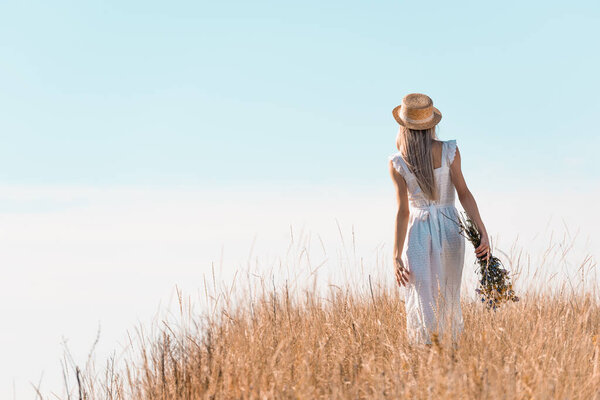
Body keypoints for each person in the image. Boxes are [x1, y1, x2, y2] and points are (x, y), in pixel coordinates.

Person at [387, 93, 490, 347]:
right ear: (431, 123)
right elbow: (464, 193)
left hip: (419, 231)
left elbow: (403, 212)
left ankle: (428, 355)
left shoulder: (397, 162)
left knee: (423, 299)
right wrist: (482, 232)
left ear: (403, 125)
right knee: (449, 295)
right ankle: (449, 353)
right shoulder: (448, 151)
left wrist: (396, 255)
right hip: (449, 226)